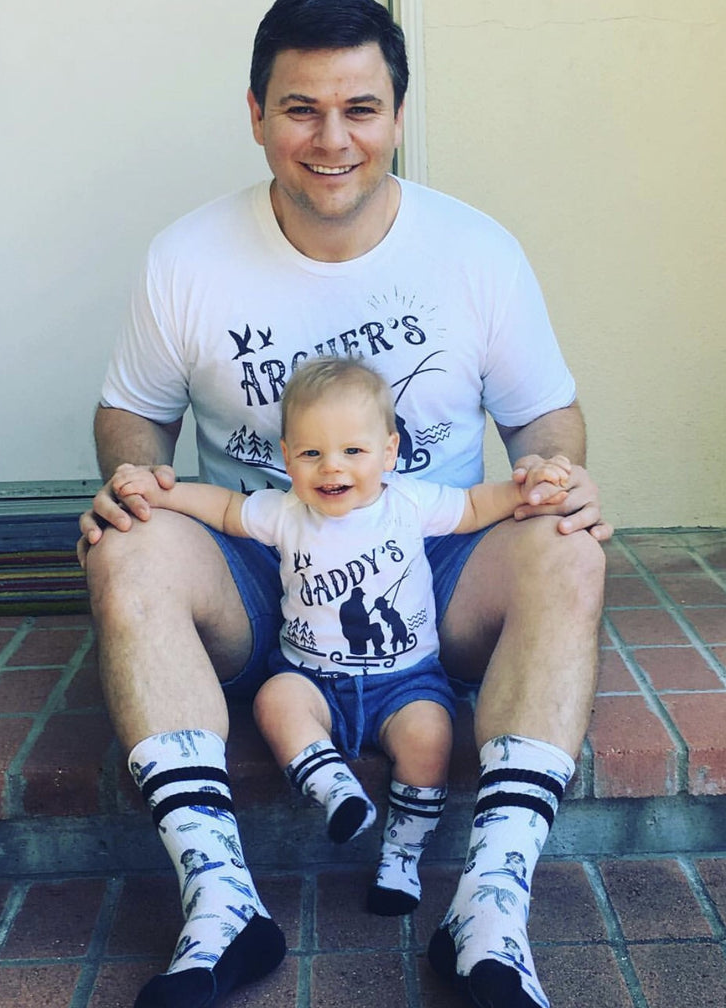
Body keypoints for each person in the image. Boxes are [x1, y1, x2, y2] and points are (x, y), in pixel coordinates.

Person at [77, 0, 611, 1007]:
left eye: (360, 108)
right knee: (130, 541)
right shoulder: (186, 257)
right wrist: (133, 479)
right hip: (259, 572)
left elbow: (546, 418)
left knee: (566, 542)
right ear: (255, 114)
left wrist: (556, 474)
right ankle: (222, 905)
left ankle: (489, 913)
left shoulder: (475, 251)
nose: (333, 139)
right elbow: (131, 414)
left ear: (398, 115)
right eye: (301, 109)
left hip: (434, 572)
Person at [110, 356, 571, 922]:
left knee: (431, 738)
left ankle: (402, 856)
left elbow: (476, 506)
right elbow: (226, 508)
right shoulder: (285, 513)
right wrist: (164, 494)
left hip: (406, 680)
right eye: (311, 453)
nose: (332, 467)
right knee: (274, 701)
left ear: (388, 452)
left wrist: (530, 490)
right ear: (287, 457)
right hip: (310, 676)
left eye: (353, 450)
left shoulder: (411, 503)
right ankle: (333, 786)